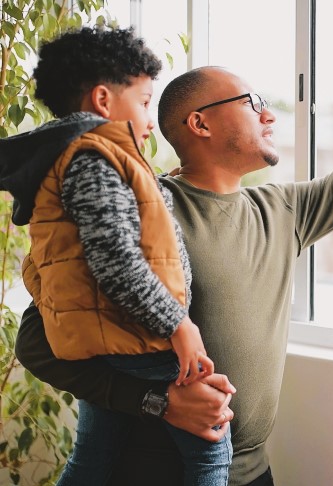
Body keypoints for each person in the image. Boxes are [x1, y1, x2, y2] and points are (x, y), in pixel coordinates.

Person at [13, 5, 333, 486]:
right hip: (144, 473)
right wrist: (158, 401)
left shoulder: (282, 211)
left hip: (251, 472)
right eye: (253, 103)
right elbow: (37, 342)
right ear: (200, 123)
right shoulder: (146, 213)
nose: (270, 115)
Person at [0, 27, 235, 485]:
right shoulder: (95, 158)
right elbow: (118, 262)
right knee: (212, 448)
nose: (151, 119)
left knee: (93, 455)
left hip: (106, 337)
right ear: (104, 101)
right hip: (140, 337)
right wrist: (179, 325)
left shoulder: (68, 158)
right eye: (145, 102)